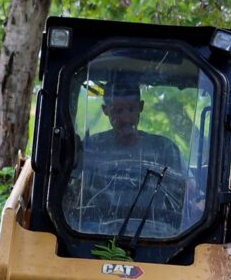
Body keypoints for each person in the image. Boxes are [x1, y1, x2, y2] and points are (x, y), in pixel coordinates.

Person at [70, 72, 185, 234]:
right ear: (105, 110)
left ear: (141, 107)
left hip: (156, 234)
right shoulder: (92, 147)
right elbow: (73, 192)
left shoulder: (165, 149)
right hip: (97, 233)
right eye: (118, 111)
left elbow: (183, 196)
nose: (125, 118)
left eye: (131, 109)